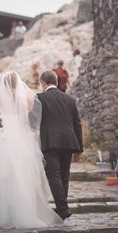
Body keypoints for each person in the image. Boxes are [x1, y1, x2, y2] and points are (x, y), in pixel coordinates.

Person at [0, 71, 63, 228]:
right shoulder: (25, 97)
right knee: (26, 176)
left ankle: (9, 215)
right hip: (24, 139)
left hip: (7, 139)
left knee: (6, 178)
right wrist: (31, 127)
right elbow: (35, 115)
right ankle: (28, 211)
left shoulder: (0, 99)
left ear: (5, 84)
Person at [37, 70, 83, 221]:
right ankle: (62, 208)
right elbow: (77, 124)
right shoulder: (69, 99)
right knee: (64, 176)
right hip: (69, 142)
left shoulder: (40, 98)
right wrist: (79, 147)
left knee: (53, 175)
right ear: (56, 82)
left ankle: (63, 209)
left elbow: (34, 120)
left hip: (50, 142)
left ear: (43, 83)